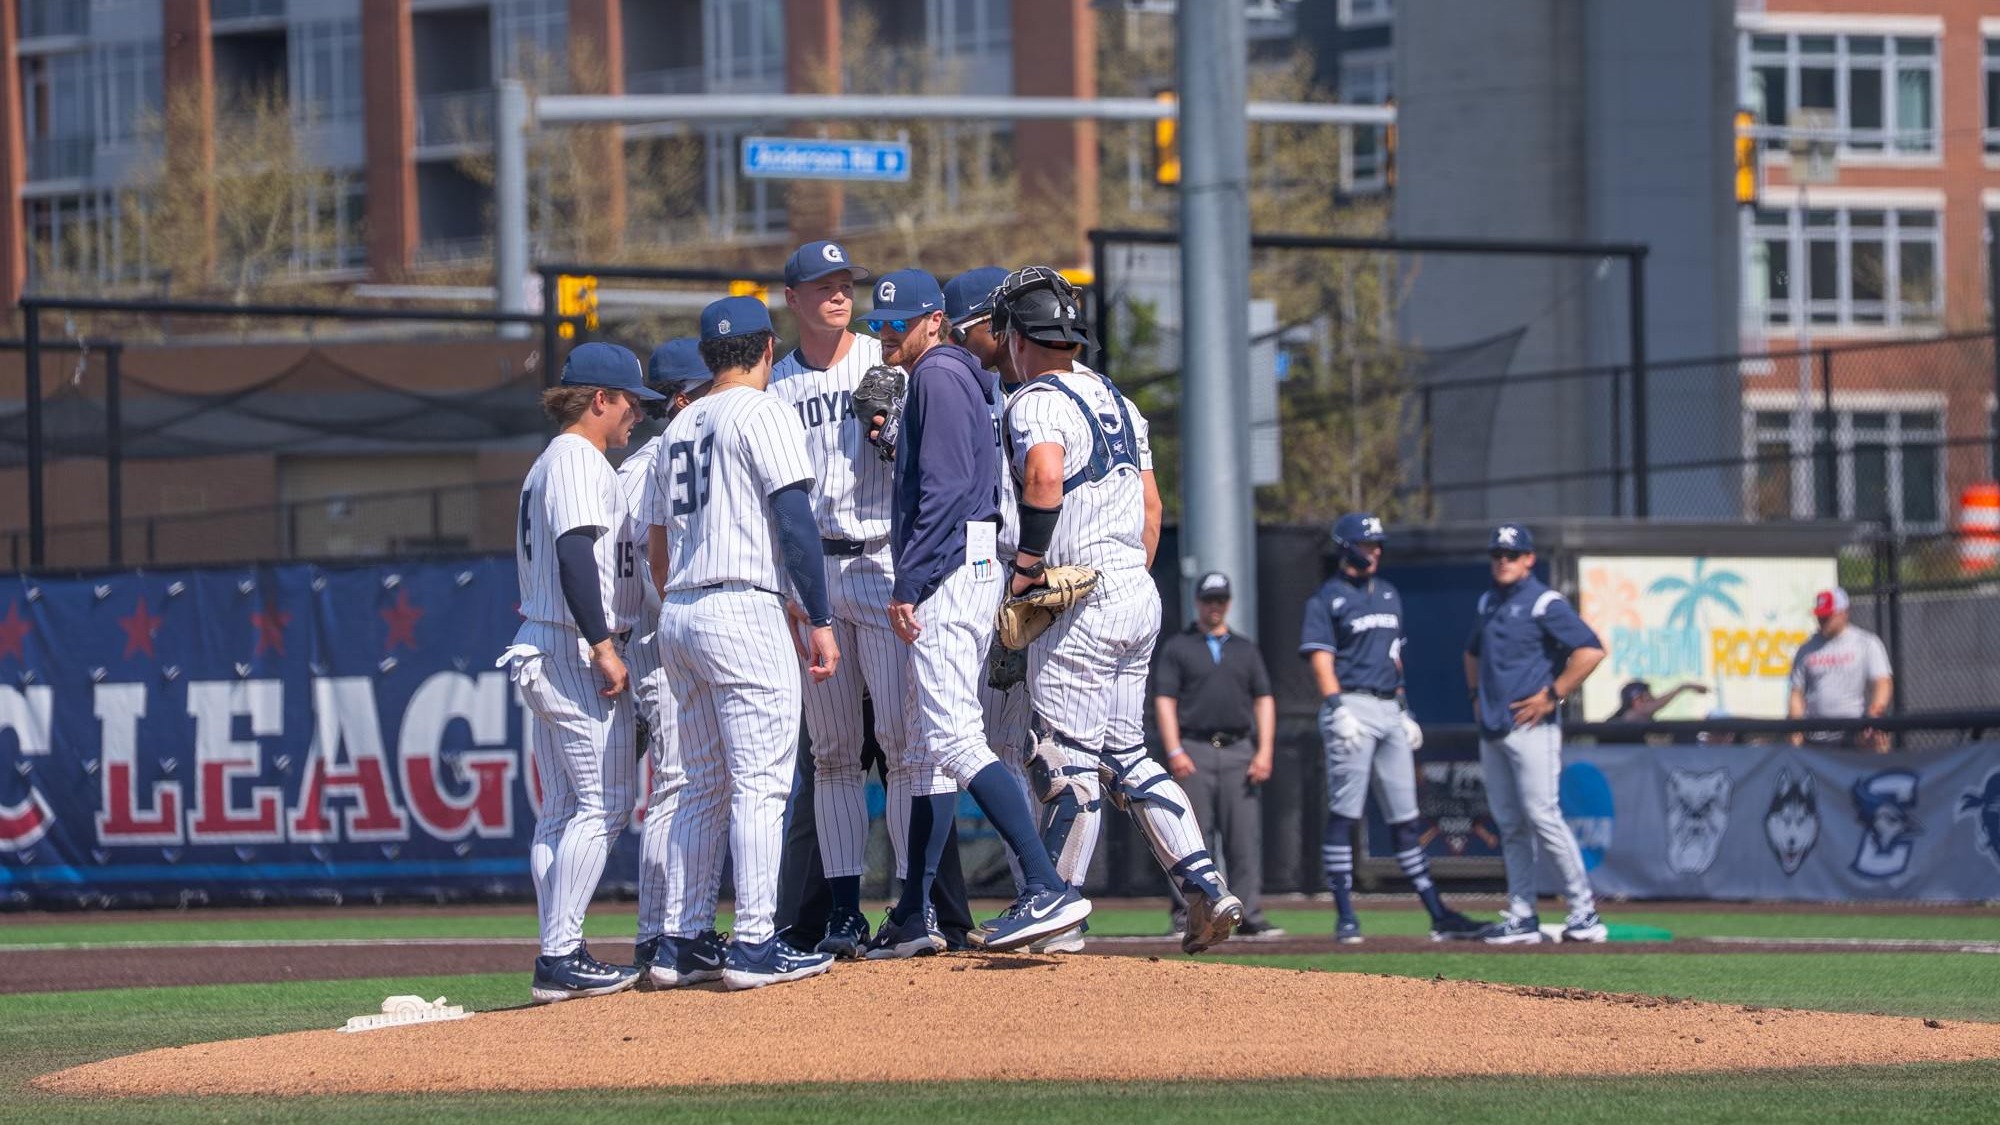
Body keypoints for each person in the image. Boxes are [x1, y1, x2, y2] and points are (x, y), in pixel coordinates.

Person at [993, 265, 1243, 955]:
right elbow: (1153, 509)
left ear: (1018, 337)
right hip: (1136, 585)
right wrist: (1125, 572)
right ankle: (1202, 880)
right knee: (1126, 751)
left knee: (1063, 757)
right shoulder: (1119, 400)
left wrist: (1026, 571)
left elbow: (1043, 477)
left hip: (1078, 593)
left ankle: (1056, 906)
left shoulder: (1033, 398)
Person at [861, 267, 1092, 957]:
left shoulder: (938, 373)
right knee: (937, 750)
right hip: (977, 558)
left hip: (954, 563)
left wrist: (909, 580)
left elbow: (946, 487)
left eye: (899, 321)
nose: (886, 332)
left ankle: (1046, 886)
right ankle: (911, 912)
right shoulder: (974, 379)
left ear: (937, 321)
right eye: (880, 323)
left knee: (957, 740)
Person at [647, 295, 842, 990]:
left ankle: (684, 941)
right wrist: (817, 616)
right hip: (742, 605)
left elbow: (658, 546)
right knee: (761, 783)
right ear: (767, 347)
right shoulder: (763, 411)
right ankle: (756, 941)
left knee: (702, 785)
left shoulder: (679, 425)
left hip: (682, 612)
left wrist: (681, 600)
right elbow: (795, 520)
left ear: (706, 356)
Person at [766, 239, 943, 960]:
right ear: (795, 299)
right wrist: (788, 591)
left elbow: (925, 456)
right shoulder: (772, 385)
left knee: (905, 744)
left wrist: (890, 432)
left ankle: (911, 903)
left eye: (847, 284)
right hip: (815, 577)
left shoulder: (882, 362)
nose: (840, 294)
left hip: (880, 559)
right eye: (825, 284)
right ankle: (843, 910)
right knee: (835, 753)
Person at [499, 341, 661, 1003]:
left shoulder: (552, 461)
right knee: (604, 805)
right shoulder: (573, 457)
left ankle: (559, 948)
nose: (637, 418)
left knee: (564, 810)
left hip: (546, 639)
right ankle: (560, 955)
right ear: (599, 399)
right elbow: (572, 554)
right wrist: (602, 643)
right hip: (569, 644)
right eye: (629, 403)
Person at [1302, 514, 1481, 944]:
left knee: (1406, 817)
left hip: (1388, 707)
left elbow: (1394, 659)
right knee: (1345, 813)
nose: (1376, 551)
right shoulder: (1327, 598)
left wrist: (1403, 708)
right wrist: (1336, 706)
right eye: (1368, 544)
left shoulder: (1388, 594)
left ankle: (1437, 912)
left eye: (1378, 545)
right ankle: (1346, 915)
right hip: (1352, 705)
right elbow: (1321, 659)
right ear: (1346, 547)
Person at [1464, 524, 1608, 945]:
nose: (1503, 562)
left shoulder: (1545, 602)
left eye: (1511, 555)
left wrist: (1553, 694)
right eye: (1497, 555)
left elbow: (1591, 649)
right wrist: (1475, 695)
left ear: (1529, 559)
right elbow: (1470, 653)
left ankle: (1584, 912)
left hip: (1532, 727)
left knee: (1543, 815)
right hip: (1494, 726)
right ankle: (1522, 914)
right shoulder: (1489, 600)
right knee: (1510, 824)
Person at [626, 338, 711, 987]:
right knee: (677, 784)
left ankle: (676, 930)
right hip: (657, 643)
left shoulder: (650, 461)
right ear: (681, 396)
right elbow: (641, 570)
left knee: (686, 783)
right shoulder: (660, 463)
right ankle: (660, 934)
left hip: (658, 639)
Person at [1153, 571, 1286, 940]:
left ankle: (1248, 915)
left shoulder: (1245, 648)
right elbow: (1165, 699)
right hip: (1194, 749)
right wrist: (1174, 748)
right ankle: (1187, 916)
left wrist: (1265, 751)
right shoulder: (1180, 647)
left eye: (1221, 600)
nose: (1215, 607)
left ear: (1228, 603)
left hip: (1239, 750)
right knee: (1190, 839)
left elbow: (1264, 699)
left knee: (1243, 839)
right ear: (1198, 601)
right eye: (1209, 600)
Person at [1788, 587, 1893, 751]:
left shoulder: (1866, 643)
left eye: (1827, 616)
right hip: (1815, 735)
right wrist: (1796, 730)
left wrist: (1874, 716)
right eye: (1820, 616)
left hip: (1853, 733)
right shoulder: (1806, 649)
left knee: (1880, 744)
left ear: (1844, 612)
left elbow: (1882, 682)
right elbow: (1796, 692)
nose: (1822, 620)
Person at [1607, 679, 1709, 723]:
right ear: (1636, 700)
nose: (1652, 697)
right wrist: (1683, 687)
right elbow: (1647, 708)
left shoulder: (1646, 718)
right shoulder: (1629, 716)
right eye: (1647, 696)